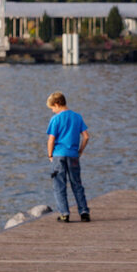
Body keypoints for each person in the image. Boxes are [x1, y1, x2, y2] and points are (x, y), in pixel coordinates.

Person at [46, 91, 90, 223]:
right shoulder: (77, 117)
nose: (52, 111)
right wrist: (80, 151)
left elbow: (51, 140)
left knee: (59, 185)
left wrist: (50, 155)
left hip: (59, 155)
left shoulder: (55, 119)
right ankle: (84, 212)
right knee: (77, 184)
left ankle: (64, 214)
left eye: (52, 108)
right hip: (73, 155)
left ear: (57, 104)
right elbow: (86, 136)